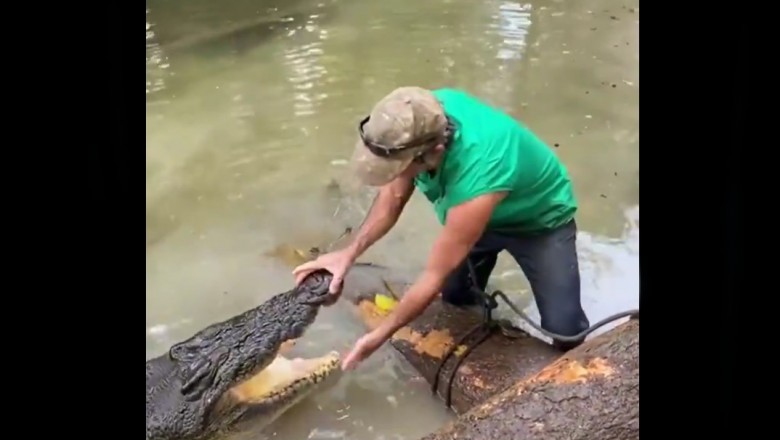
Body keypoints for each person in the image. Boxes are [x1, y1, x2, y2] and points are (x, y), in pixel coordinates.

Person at [292, 86, 590, 371]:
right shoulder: (416, 115)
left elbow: (432, 275)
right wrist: (347, 254)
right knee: (457, 299)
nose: (395, 176)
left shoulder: (480, 174)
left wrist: (380, 335)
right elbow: (392, 199)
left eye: (399, 168)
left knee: (564, 329)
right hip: (474, 215)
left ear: (433, 152)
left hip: (539, 222)